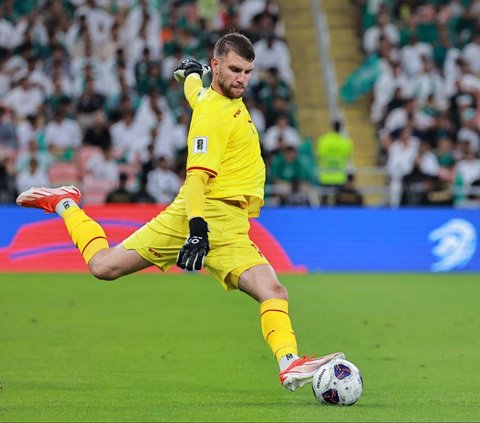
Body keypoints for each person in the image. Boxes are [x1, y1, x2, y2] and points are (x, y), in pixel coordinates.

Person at [16, 32, 343, 392]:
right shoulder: (210, 116)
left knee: (274, 292)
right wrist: (197, 229)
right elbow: (198, 179)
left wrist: (188, 73)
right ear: (217, 66)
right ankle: (64, 203)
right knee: (103, 267)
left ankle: (289, 362)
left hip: (233, 227)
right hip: (197, 214)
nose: (242, 79)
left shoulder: (211, 94)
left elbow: (195, 91)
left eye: (248, 72)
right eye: (235, 70)